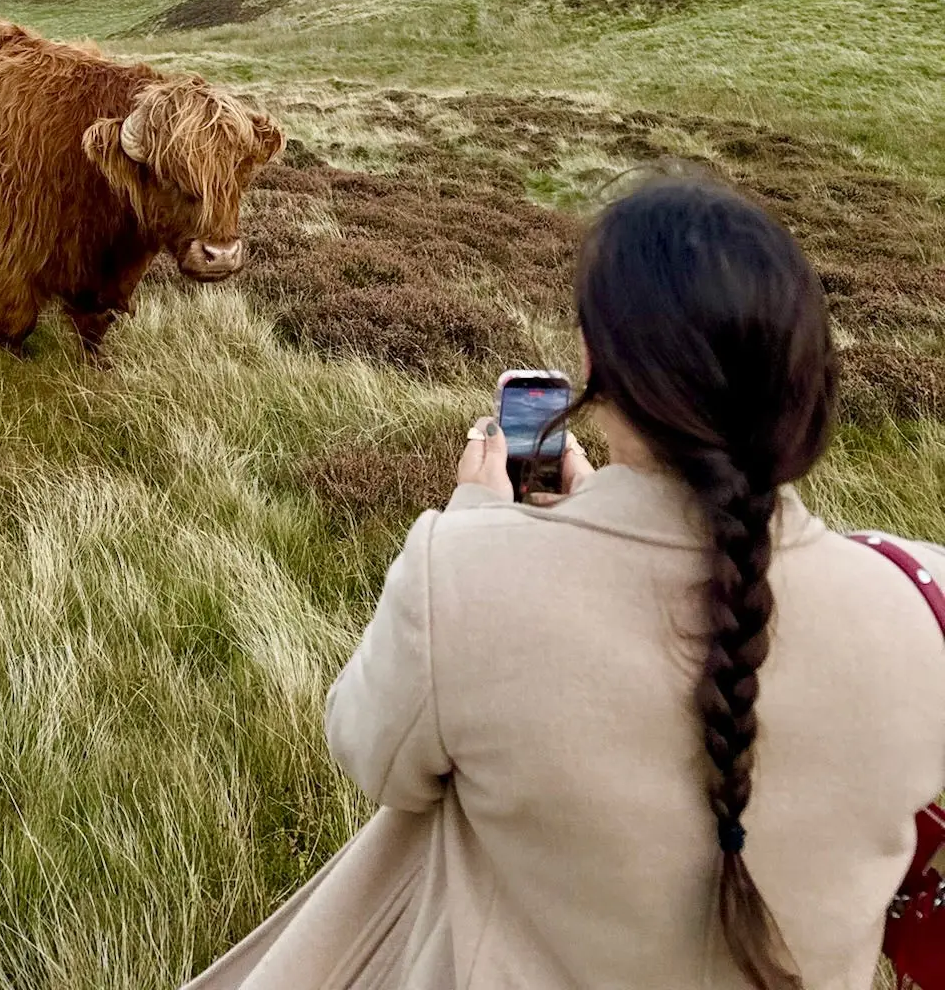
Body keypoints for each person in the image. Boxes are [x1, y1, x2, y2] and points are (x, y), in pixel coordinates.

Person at [185, 180, 945, 990]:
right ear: (805, 374)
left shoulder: (462, 577)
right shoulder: (918, 607)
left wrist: (477, 518)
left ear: (594, 360)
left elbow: (371, 757)